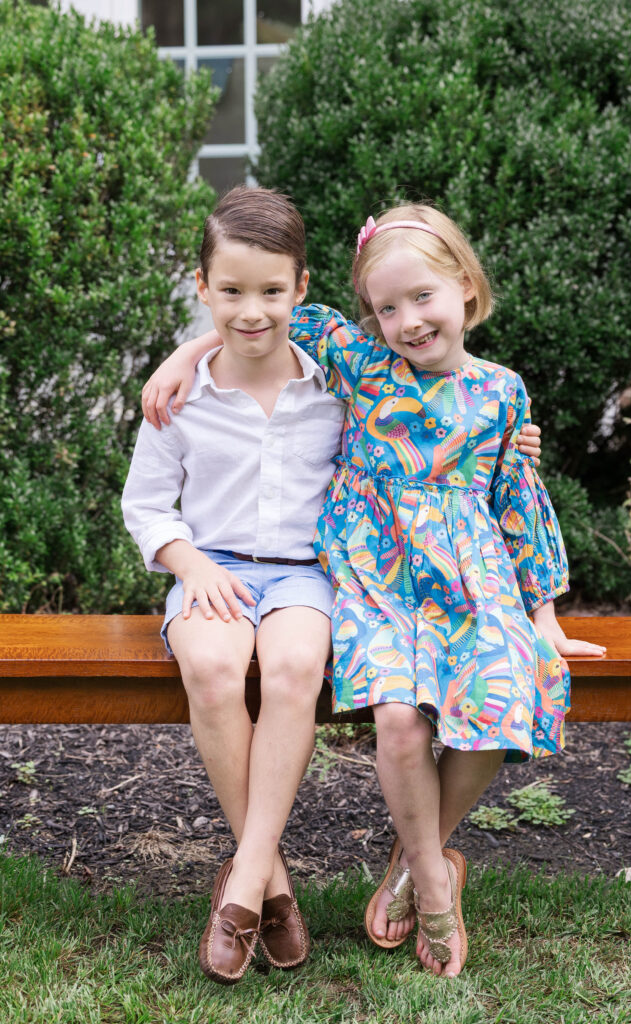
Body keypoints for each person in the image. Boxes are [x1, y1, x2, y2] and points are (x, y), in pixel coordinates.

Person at [141, 202, 594, 980]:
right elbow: (257, 314)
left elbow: (521, 502)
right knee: (396, 720)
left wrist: (542, 611)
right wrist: (184, 353)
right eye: (387, 307)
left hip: (469, 580)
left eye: (422, 299)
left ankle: (417, 869)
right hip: (375, 577)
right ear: (368, 315)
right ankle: (420, 881)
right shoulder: (357, 358)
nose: (408, 321)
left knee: (508, 686)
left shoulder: (502, 393)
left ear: (465, 289)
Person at [122, 186, 348, 985]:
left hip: (304, 575)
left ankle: (244, 878)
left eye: (271, 291)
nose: (251, 311)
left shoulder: (339, 385)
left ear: (302, 288)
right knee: (215, 669)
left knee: (293, 669)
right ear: (201, 288)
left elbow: (433, 398)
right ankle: (271, 882)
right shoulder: (180, 396)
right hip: (211, 565)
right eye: (231, 292)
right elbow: (146, 504)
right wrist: (189, 565)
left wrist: (509, 435)